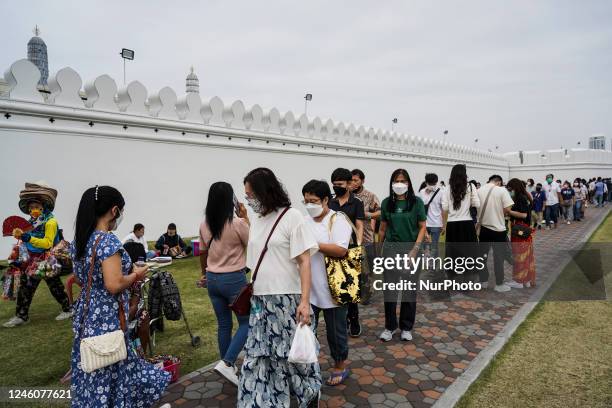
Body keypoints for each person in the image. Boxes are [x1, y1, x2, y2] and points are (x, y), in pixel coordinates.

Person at [70, 185, 170, 407]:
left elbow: (82, 278)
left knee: (93, 371)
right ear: (114, 210)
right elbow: (114, 284)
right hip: (109, 318)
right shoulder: (108, 241)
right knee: (113, 369)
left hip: (87, 315)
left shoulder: (80, 240)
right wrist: (135, 274)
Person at [238, 168, 321, 408]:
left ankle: (309, 393)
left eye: (250, 194)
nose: (248, 200)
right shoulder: (257, 220)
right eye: (246, 196)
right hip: (260, 301)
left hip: (286, 301)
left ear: (265, 191)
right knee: (258, 357)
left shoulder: (291, 216)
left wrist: (305, 301)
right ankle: (261, 402)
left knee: (293, 356)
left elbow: (305, 261)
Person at [199, 182, 250, 387]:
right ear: (232, 200)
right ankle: (227, 363)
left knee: (224, 324)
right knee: (247, 322)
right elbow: (253, 244)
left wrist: (204, 274)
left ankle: (227, 365)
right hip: (234, 279)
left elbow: (202, 252)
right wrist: (245, 216)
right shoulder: (237, 223)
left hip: (212, 279)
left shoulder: (204, 224)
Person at [302, 179, 352, 386]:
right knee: (306, 331)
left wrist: (312, 244)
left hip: (334, 286)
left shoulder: (337, 219)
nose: (309, 205)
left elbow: (341, 250)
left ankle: (340, 365)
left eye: (313, 201)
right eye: (305, 201)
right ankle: (307, 367)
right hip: (308, 288)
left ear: (325, 200)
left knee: (336, 331)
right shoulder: (303, 221)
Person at [3, 182, 72, 328]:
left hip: (49, 258)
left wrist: (28, 238)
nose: (33, 209)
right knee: (27, 285)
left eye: (36, 207)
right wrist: (17, 254)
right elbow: (26, 243)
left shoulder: (51, 222)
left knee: (54, 286)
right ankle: (21, 316)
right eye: (31, 207)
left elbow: (47, 243)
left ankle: (69, 309)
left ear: (43, 207)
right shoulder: (29, 223)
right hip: (33, 260)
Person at [378, 169, 427, 342]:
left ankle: (406, 327)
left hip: (412, 250)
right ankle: (390, 326)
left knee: (409, 290)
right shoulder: (386, 203)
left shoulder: (416, 202)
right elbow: (382, 229)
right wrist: (379, 251)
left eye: (403, 181)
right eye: (397, 181)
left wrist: (414, 250)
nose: (400, 184)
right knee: (390, 290)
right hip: (391, 250)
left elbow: (422, 227)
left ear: (409, 183)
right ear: (392, 183)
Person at [328, 168, 364, 338]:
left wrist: (359, 245)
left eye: (340, 184)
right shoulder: (330, 203)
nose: (337, 187)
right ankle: (342, 319)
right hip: (332, 249)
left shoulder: (356, 203)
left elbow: (359, 225)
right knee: (336, 283)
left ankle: (354, 317)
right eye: (334, 184)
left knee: (351, 285)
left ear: (349, 184)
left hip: (350, 249)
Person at [441, 165, 480, 282]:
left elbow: (445, 208)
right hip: (467, 224)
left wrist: (444, 225)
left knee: (453, 253)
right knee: (469, 253)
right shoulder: (471, 187)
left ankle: (454, 280)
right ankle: (467, 281)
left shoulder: (447, 189)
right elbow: (477, 204)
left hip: (452, 225)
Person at [477, 175, 514, 292]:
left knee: (482, 256)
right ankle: (499, 283)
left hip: (483, 228)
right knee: (499, 257)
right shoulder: (502, 190)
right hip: (498, 229)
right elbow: (508, 209)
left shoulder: (479, 190)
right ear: (499, 182)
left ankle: (483, 280)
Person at [351, 169, 380, 305]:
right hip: (350, 239)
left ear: (362, 181)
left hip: (366, 238)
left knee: (368, 269)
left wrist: (365, 214)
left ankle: (367, 293)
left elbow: (380, 212)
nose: (353, 183)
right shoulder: (347, 196)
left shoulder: (370, 196)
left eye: (356, 180)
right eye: (351, 180)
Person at [506, 178, 536, 288]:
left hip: (519, 229)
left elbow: (523, 215)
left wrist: (509, 211)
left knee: (518, 255)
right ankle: (526, 280)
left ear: (515, 188)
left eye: (510, 189)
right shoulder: (526, 196)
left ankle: (519, 281)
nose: (509, 191)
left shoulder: (520, 198)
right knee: (526, 255)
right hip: (525, 229)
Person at [418, 173, 444, 258]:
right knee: (423, 245)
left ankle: (434, 267)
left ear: (436, 182)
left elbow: (443, 209)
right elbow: (419, 207)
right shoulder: (421, 192)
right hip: (424, 224)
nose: (432, 185)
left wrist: (443, 225)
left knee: (434, 246)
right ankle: (426, 262)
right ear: (426, 182)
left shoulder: (441, 192)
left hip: (436, 224)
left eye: (434, 184)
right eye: (430, 184)